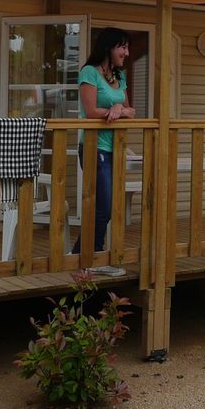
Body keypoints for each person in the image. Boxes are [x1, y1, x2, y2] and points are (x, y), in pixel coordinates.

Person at [73, 28, 136, 262]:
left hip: (115, 150)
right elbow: (90, 111)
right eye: (123, 47)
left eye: (127, 48)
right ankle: (92, 257)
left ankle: (80, 256)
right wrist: (116, 109)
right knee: (103, 208)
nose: (127, 53)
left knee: (105, 208)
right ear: (109, 47)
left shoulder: (119, 76)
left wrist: (119, 109)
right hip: (94, 147)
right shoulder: (89, 72)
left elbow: (130, 111)